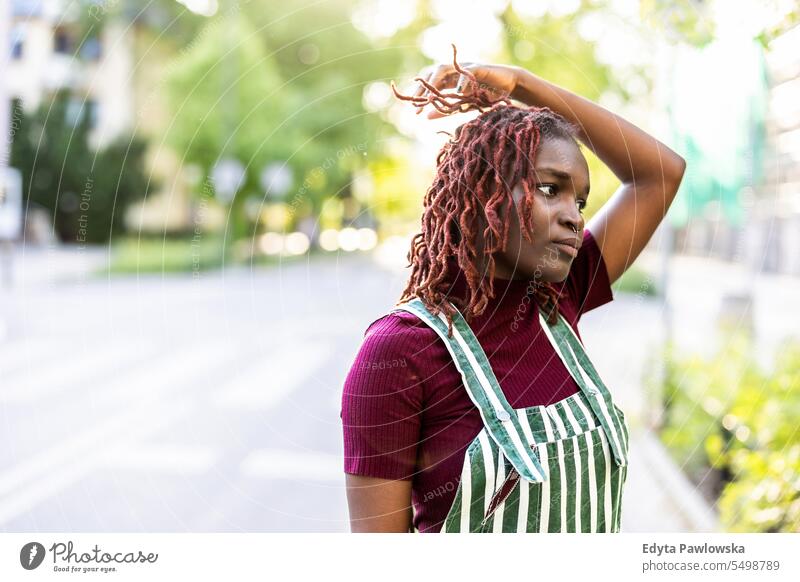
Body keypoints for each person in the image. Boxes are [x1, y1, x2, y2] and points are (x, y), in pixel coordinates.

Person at [341, 45, 686, 533]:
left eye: (581, 200)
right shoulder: (399, 354)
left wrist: (525, 85)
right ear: (484, 194)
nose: (574, 215)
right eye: (550, 188)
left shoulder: (559, 303)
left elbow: (659, 173)